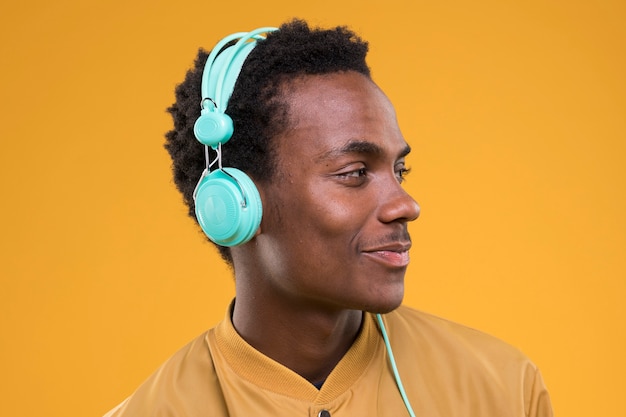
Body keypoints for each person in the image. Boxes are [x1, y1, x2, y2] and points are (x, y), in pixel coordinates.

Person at [104, 19, 553, 416]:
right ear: (237, 205)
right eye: (355, 173)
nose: (406, 204)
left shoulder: (504, 389)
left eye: (400, 170)